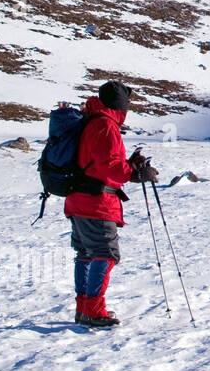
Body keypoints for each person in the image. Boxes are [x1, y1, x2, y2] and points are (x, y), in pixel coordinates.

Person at [65, 80, 158, 328]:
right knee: (105, 254)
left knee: (86, 253)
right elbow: (112, 167)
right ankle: (93, 311)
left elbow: (99, 162)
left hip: (79, 200)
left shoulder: (92, 120)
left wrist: (129, 164)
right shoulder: (105, 125)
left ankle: (84, 308)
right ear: (120, 106)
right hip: (96, 202)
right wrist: (135, 172)